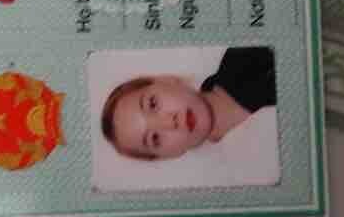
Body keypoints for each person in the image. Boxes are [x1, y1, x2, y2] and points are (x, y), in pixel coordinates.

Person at [100, 46, 276, 160]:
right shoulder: (238, 176)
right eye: (155, 138)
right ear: (169, 155)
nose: (170, 122)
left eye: (153, 104)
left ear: (168, 81)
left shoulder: (245, 54)